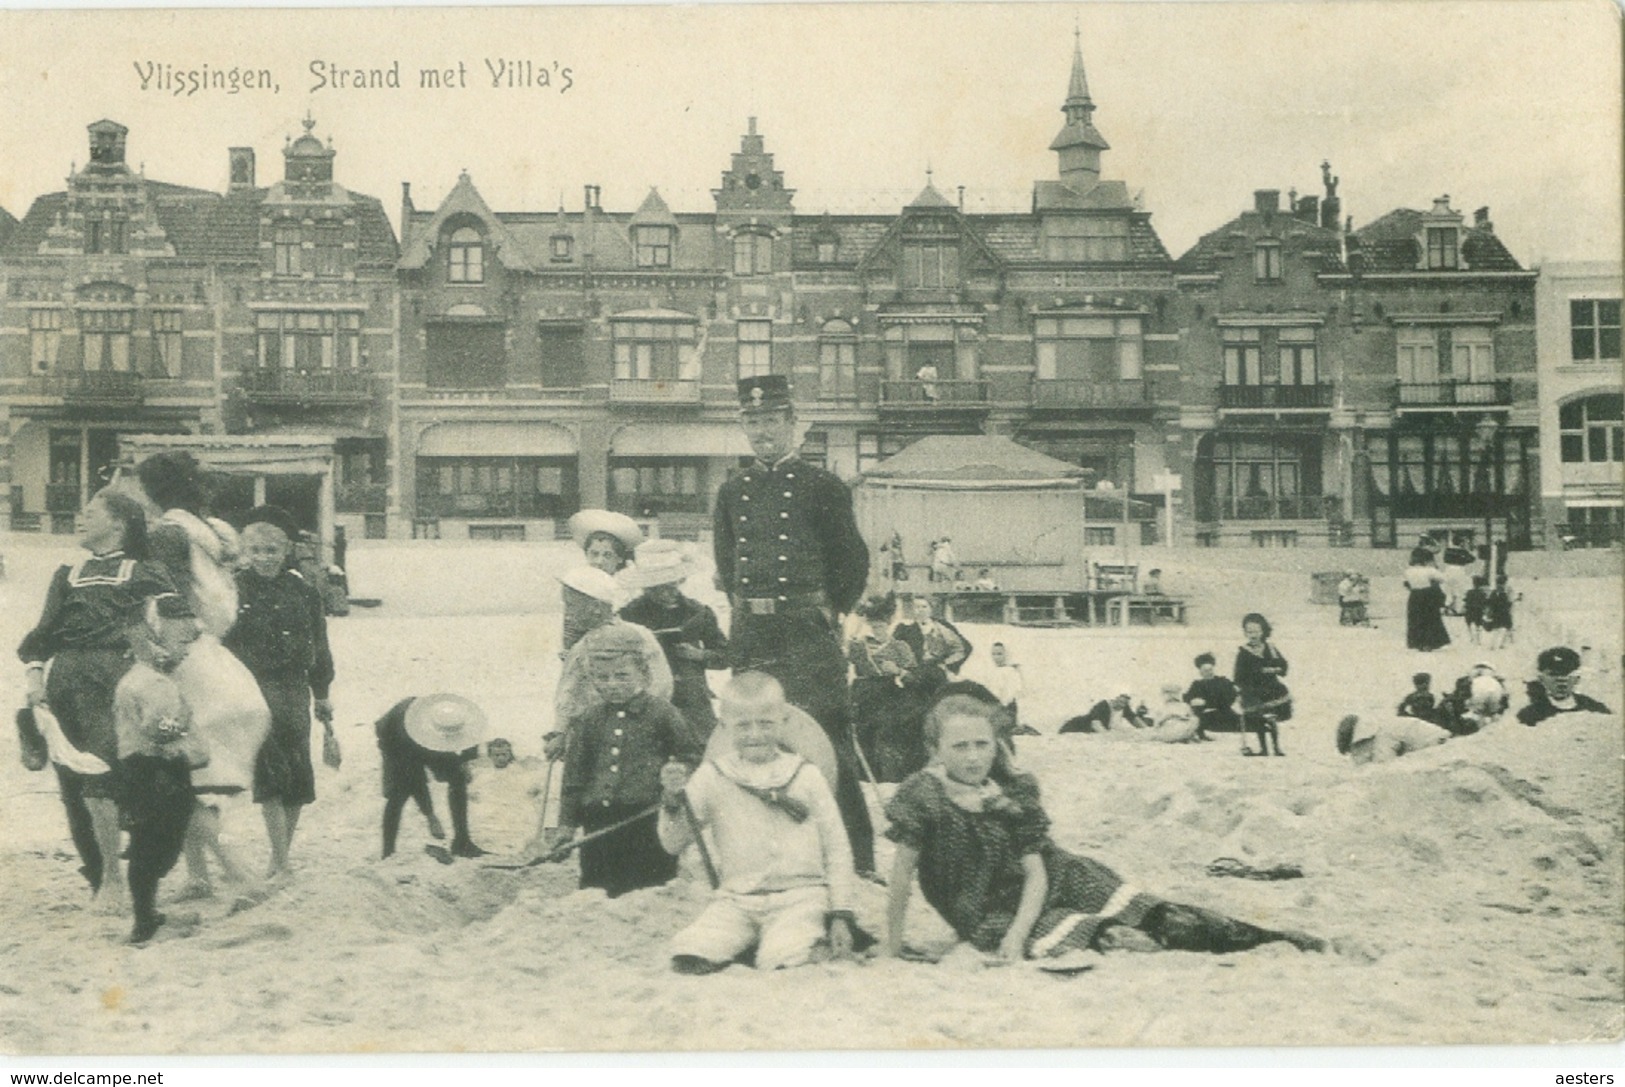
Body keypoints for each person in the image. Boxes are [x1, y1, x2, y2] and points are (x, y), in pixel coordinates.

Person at [882, 695, 1324, 964]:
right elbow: (901, 878)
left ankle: (1281, 939)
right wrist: (894, 946)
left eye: (982, 744)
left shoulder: (1013, 791)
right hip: (985, 911)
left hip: (1056, 878)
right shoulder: (921, 798)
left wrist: (1020, 933)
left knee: (1166, 920)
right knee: (1120, 940)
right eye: (960, 747)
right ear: (934, 749)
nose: (974, 757)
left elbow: (1037, 872)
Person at [712, 375, 875, 875]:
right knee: (756, 739)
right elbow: (726, 561)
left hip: (806, 632)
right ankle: (771, 855)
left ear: (791, 424)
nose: (761, 431)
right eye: (752, 421)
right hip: (754, 635)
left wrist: (830, 612)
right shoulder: (733, 490)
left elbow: (852, 558)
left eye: (770, 421)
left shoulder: (822, 486)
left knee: (825, 738)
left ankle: (858, 859)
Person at [18, 489, 189, 912]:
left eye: (90, 512)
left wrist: (157, 661)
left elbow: (181, 619)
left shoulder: (143, 569)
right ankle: (99, 878)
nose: (80, 517)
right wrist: (35, 677)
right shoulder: (68, 572)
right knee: (74, 787)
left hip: (115, 681)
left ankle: (116, 878)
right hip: (64, 682)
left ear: (118, 523)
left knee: (101, 777)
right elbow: (44, 633)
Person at [135, 450, 271, 900]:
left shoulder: (167, 534)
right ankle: (199, 877)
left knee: (187, 774)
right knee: (197, 776)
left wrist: (160, 652)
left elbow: (167, 596)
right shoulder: (209, 530)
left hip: (184, 657)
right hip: (214, 654)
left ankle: (237, 873)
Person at [657, 673, 860, 973]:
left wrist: (841, 913)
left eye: (766, 723)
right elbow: (673, 843)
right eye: (743, 725)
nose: (755, 734)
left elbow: (837, 848)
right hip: (737, 901)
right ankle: (746, 944)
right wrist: (674, 801)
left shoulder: (805, 775)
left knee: (784, 956)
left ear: (783, 721)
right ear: (725, 725)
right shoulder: (713, 776)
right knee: (690, 951)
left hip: (800, 897)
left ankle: (793, 945)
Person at [222, 507, 336, 881]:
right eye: (256, 550)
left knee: (297, 774)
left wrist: (322, 694)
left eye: (272, 550)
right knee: (270, 773)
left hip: (293, 691)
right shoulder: (232, 590)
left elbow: (320, 646)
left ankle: (280, 854)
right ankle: (282, 859)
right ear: (244, 551)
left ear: (286, 551)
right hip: (251, 691)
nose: (264, 558)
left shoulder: (303, 592)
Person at [555, 624, 702, 897]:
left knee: (649, 888)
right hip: (598, 822)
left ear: (644, 674)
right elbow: (574, 776)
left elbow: (691, 755)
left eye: (622, 676)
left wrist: (676, 781)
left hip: (646, 821)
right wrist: (566, 824)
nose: (612, 685)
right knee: (597, 888)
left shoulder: (663, 714)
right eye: (602, 678)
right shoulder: (589, 720)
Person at [115, 594, 209, 945]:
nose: (186, 652)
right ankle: (144, 922)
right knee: (159, 846)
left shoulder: (140, 678)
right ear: (156, 641)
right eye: (182, 642)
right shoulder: (153, 684)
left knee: (149, 845)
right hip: (157, 770)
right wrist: (186, 722)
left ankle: (146, 913)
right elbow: (160, 731)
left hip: (142, 768)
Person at [618, 539, 728, 741]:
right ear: (646, 588)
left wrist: (699, 655)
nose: (668, 593)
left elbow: (725, 656)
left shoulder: (697, 613)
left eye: (672, 586)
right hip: (648, 697)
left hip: (692, 701)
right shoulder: (629, 615)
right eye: (658, 588)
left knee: (700, 750)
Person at [376, 693, 487, 859]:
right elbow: (415, 779)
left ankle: (462, 842)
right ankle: (388, 851)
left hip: (431, 735)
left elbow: (471, 737)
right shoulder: (404, 731)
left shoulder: (457, 715)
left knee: (458, 777)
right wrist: (430, 816)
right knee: (398, 793)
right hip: (394, 742)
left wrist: (465, 762)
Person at [846, 594, 920, 782]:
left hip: (890, 699)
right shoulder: (859, 647)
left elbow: (916, 679)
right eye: (873, 626)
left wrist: (898, 670)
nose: (877, 630)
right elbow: (843, 656)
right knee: (863, 741)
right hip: (863, 697)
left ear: (889, 625)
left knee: (886, 743)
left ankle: (889, 781)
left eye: (880, 626)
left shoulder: (900, 647)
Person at [562, 510, 644, 651]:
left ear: (620, 558)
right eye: (594, 554)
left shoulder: (630, 587)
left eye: (607, 555)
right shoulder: (579, 583)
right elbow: (570, 627)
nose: (599, 561)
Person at [1233, 613, 1290, 756]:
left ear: (1263, 631)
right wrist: (1240, 689)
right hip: (1252, 690)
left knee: (1272, 718)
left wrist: (1275, 669)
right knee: (1259, 718)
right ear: (1245, 632)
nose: (1253, 635)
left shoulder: (1270, 648)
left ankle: (1276, 747)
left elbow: (1283, 665)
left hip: (1272, 688)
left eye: (1256, 631)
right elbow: (1238, 674)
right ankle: (1263, 748)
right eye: (1249, 632)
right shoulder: (1244, 652)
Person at [1516, 646, 1612, 726]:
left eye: (1567, 673)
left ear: (1577, 677)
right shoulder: (1529, 715)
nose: (1561, 679)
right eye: (1553, 674)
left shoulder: (1594, 708)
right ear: (1541, 679)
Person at [894, 595, 972, 677]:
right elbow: (893, 649)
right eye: (916, 607)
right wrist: (902, 670)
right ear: (912, 609)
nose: (920, 610)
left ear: (931, 608)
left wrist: (946, 665)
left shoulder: (942, 626)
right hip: (914, 673)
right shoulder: (904, 628)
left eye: (924, 607)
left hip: (937, 671)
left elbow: (964, 648)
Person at [1335, 713, 1451, 766]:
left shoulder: (1383, 738)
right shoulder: (1385, 728)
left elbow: (1384, 766)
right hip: (1440, 741)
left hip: (1438, 746)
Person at [1183, 653, 1239, 740]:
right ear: (1200, 672)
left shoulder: (1223, 681)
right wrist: (1193, 700)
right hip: (1206, 715)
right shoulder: (1197, 684)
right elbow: (1187, 698)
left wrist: (1207, 702)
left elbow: (1230, 696)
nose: (1209, 672)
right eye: (1205, 670)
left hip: (1224, 712)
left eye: (1210, 669)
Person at [1403, 547, 1450, 652]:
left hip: (1414, 595)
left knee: (1416, 619)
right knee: (1430, 619)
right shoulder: (1430, 570)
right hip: (1428, 595)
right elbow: (1443, 579)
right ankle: (1430, 643)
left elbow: (1406, 584)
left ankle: (1418, 643)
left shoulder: (1408, 571)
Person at [1057, 694, 1150, 734]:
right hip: (1075, 726)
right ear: (1114, 699)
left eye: (1125, 703)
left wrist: (1147, 730)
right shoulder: (1102, 706)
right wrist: (1106, 736)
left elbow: (1134, 719)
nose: (1122, 705)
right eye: (1120, 702)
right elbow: (1095, 724)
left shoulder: (1123, 706)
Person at [1482, 576, 1515, 650]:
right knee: (1507, 628)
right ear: (1504, 583)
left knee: (1496, 630)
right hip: (1504, 613)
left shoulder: (1494, 592)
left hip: (1496, 613)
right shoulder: (1505, 592)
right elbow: (1508, 603)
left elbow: (1489, 602)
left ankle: (1493, 646)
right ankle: (1502, 644)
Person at [1462, 575, 1490, 646]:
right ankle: (1478, 640)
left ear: (1473, 584)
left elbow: (1466, 600)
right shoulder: (1482, 593)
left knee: (1469, 624)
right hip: (1478, 611)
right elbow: (1485, 603)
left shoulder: (1469, 592)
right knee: (1478, 626)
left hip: (1470, 610)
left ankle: (1471, 637)